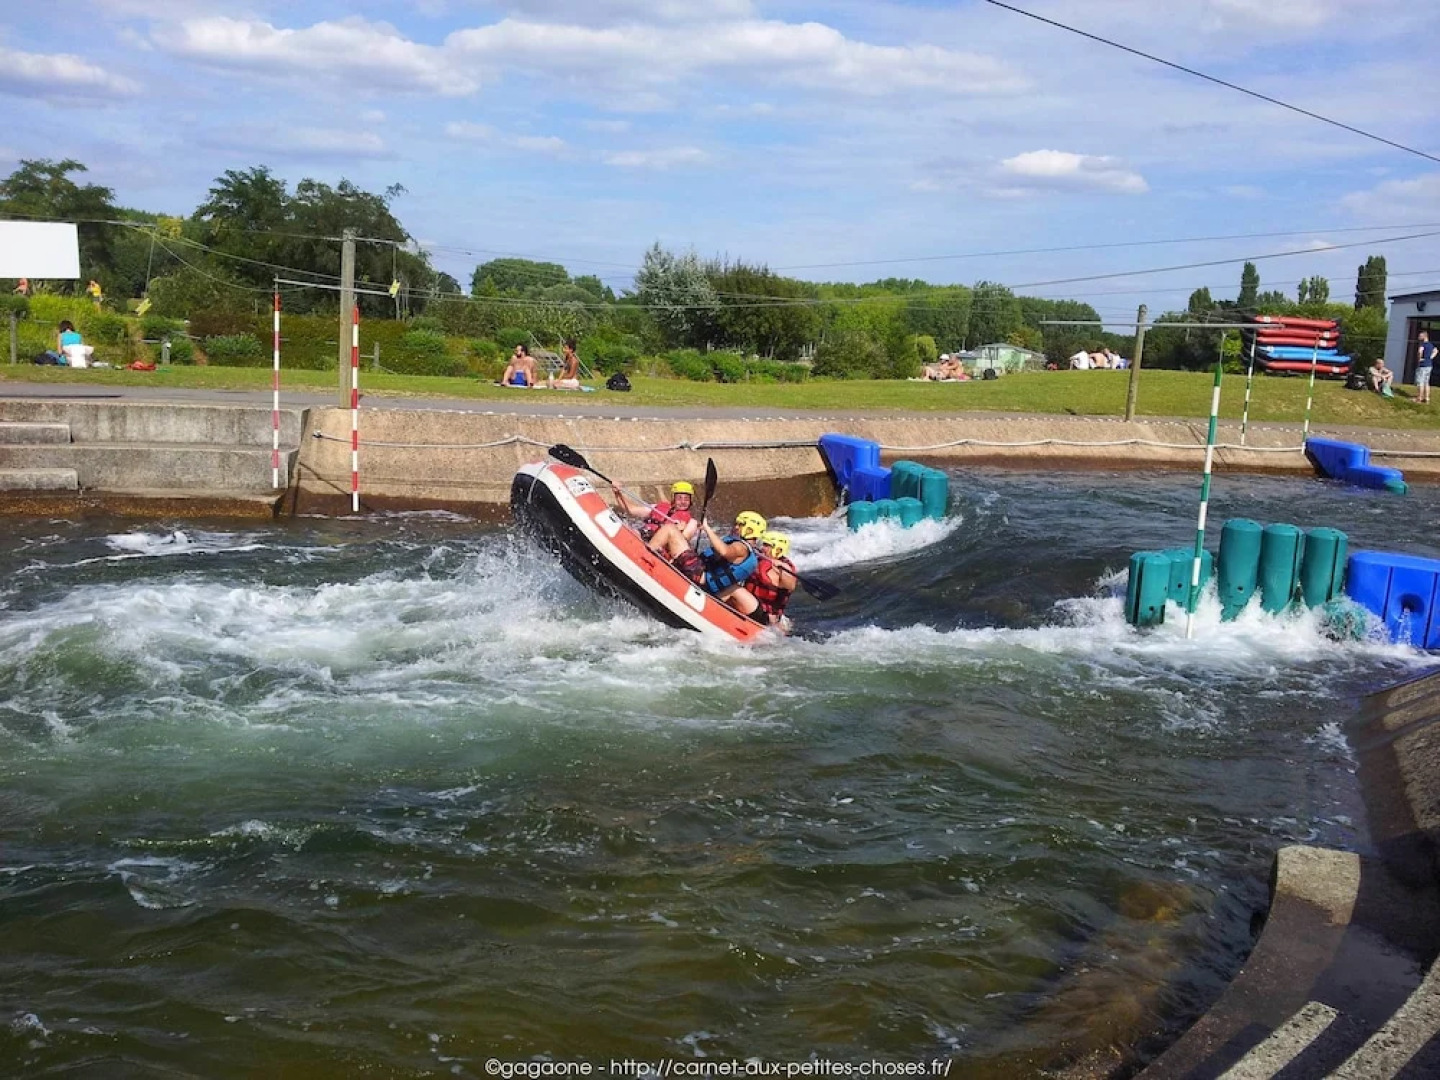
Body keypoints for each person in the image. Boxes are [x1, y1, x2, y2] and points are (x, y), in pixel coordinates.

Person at [652, 510, 765, 608]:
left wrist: (707, 528)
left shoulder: (741, 548)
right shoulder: (746, 549)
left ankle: (646, 553)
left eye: (740, 524)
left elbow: (724, 551)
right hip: (704, 578)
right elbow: (716, 557)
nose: (735, 527)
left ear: (750, 529)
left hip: (700, 577)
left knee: (670, 529)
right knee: (677, 539)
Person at [617, 480, 699, 544]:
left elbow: (682, 543)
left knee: (635, 535)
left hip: (658, 549)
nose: (683, 502)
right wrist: (617, 493)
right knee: (632, 532)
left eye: (686, 499)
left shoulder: (691, 522)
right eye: (679, 498)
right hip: (644, 536)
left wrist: (680, 532)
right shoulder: (658, 507)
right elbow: (631, 510)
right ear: (673, 499)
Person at [743, 531, 797, 626]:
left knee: (734, 590)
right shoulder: (759, 558)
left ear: (778, 550)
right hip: (751, 605)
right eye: (763, 544)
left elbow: (791, 586)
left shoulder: (784, 568)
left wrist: (781, 566)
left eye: (767, 545)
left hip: (766, 614)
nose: (763, 548)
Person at [1416, 330, 1434, 405]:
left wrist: (1419, 358)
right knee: (1426, 382)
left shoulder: (1422, 345)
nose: (1419, 337)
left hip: (1423, 365)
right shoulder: (1430, 345)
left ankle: (1419, 398)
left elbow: (1420, 351)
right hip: (1429, 365)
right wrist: (1430, 357)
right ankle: (1426, 398)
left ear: (1424, 336)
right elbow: (1436, 350)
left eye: (1420, 336)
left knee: (1420, 382)